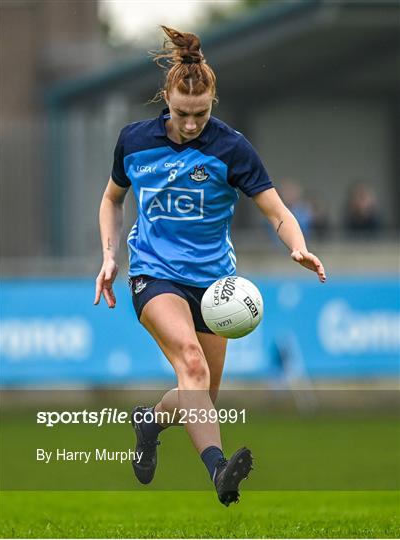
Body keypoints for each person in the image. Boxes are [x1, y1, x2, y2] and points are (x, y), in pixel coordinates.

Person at [94, 25, 326, 506]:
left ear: (213, 102)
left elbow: (278, 212)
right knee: (192, 365)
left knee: (200, 394)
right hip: (154, 274)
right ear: (166, 99)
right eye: (182, 113)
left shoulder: (231, 149)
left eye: (201, 113)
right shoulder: (134, 142)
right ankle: (219, 472)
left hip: (215, 286)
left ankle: (149, 423)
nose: (192, 123)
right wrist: (110, 255)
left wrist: (297, 246)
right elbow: (112, 201)